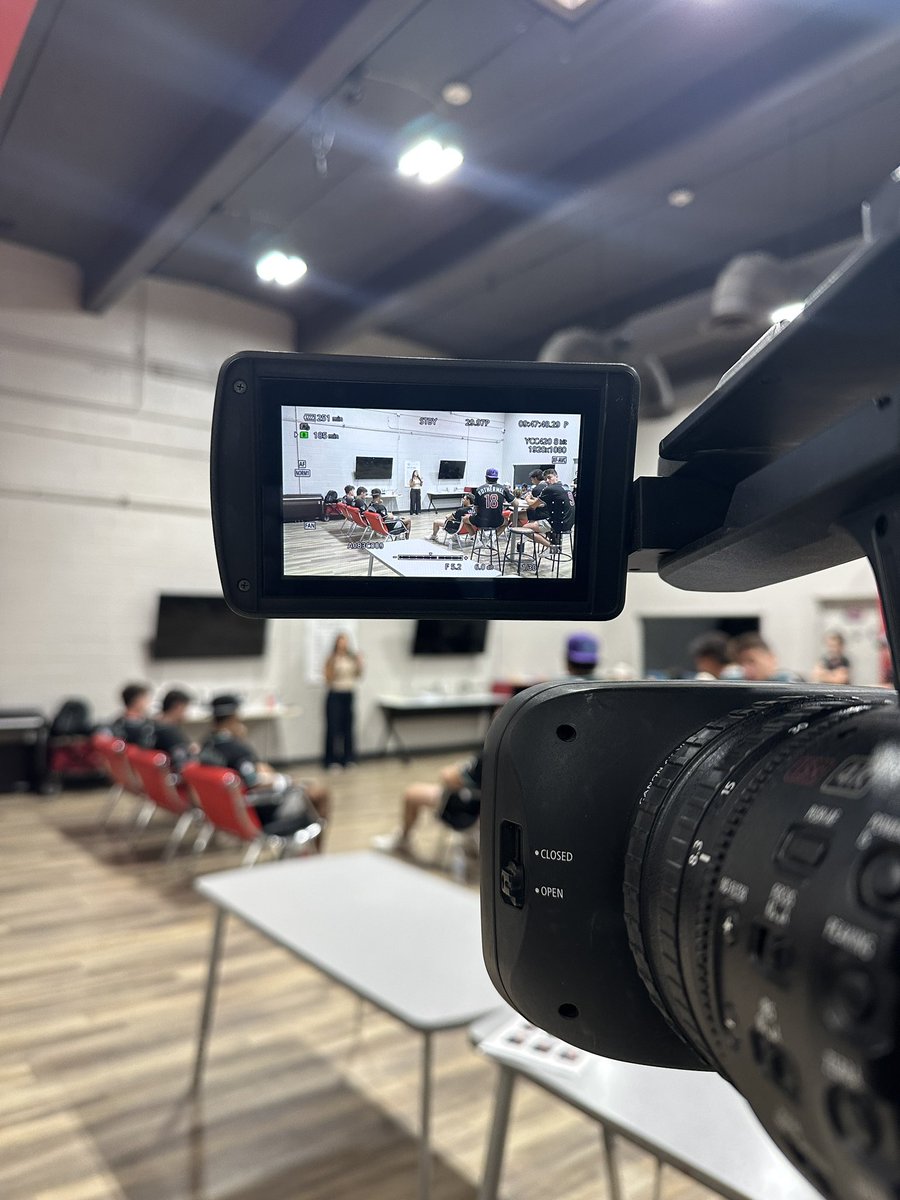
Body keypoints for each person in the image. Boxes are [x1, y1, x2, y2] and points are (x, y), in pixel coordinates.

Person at [200, 694, 330, 847]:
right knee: (318, 793)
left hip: (223, 812)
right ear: (234, 716)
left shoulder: (206, 745)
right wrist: (287, 781)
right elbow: (255, 782)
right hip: (257, 811)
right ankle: (316, 851)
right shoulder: (236, 749)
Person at [372, 752, 483, 856]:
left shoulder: (484, 758)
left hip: (462, 804)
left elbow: (449, 777)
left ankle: (403, 839)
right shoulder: (491, 761)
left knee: (411, 794)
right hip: (481, 809)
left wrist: (453, 770)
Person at [323, 632, 363, 769]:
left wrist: (359, 663)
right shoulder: (332, 658)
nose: (343, 644)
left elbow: (358, 675)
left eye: (345, 641)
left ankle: (348, 758)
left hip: (348, 694)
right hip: (335, 694)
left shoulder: (351, 658)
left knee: (348, 728)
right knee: (333, 728)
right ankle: (331, 760)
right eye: (341, 641)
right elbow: (327, 678)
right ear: (337, 643)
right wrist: (334, 665)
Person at [522, 467, 575, 549]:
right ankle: (554, 543)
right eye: (545, 479)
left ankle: (552, 547)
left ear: (556, 477)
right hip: (569, 523)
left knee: (525, 528)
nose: (547, 480)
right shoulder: (566, 488)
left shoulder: (550, 489)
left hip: (558, 523)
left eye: (549, 477)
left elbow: (533, 505)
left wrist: (527, 498)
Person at [152, 687, 197, 773]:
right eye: (185, 709)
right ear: (178, 707)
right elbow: (183, 764)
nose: (186, 714)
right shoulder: (170, 732)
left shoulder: (152, 725)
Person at [728, 632, 804, 682]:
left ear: (771, 658)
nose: (746, 669)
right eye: (740, 664)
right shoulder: (735, 684)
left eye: (751, 662)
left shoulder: (791, 683)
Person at [469, 469, 514, 536]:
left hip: (481, 521)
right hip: (497, 521)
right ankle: (494, 537)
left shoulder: (479, 489)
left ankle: (475, 537)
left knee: (464, 519)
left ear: (486, 478)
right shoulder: (503, 489)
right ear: (497, 479)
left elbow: (476, 508)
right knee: (506, 522)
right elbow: (516, 503)